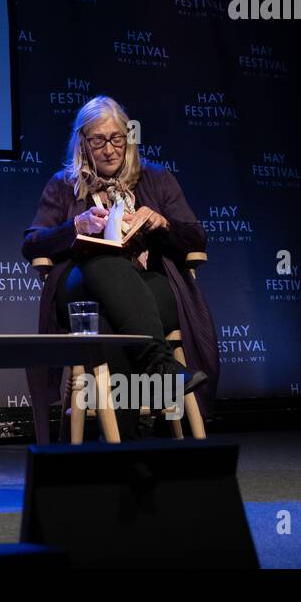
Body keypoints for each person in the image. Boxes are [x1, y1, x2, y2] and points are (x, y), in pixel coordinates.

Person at [22, 95, 216, 440]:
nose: (109, 149)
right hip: (81, 292)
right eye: (98, 140)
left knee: (109, 323)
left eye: (117, 139)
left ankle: (117, 443)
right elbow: (32, 244)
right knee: (101, 260)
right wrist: (76, 227)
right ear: (83, 142)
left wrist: (162, 223)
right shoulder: (64, 184)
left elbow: (196, 238)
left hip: (151, 290)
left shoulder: (156, 178)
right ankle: (159, 365)